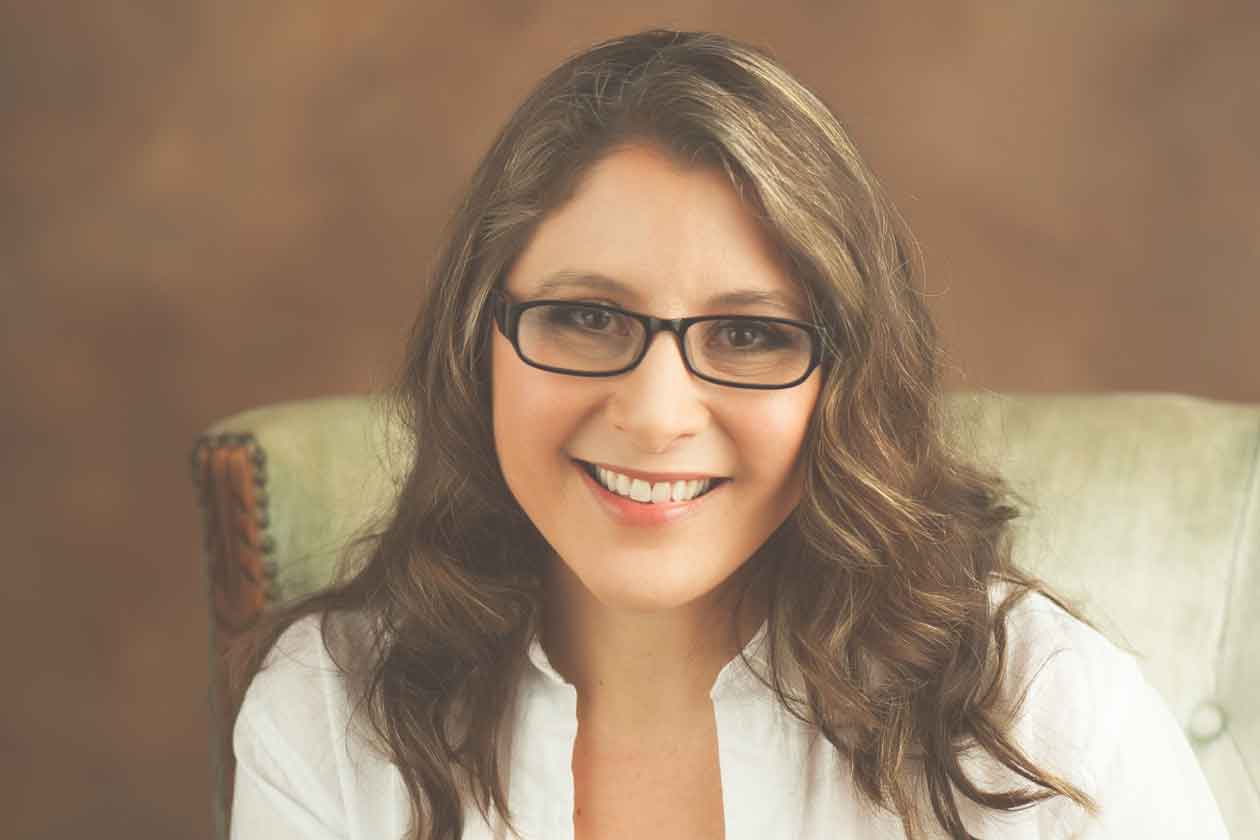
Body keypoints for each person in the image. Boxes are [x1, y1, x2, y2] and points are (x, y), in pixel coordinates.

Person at [225, 29, 1229, 840]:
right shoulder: (329, 707)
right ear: (476, 338)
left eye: (750, 334)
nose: (656, 414)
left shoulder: (1047, 717)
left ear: (847, 377)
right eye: (586, 315)